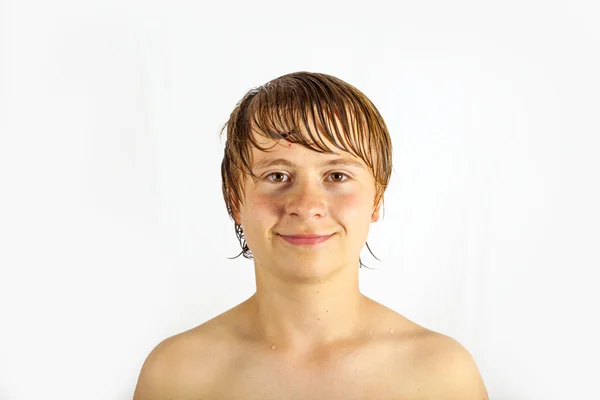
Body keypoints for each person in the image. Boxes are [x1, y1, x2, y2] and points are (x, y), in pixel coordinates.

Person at [133, 71, 489, 399]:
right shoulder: (176, 376)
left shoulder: (442, 376)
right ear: (233, 198)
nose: (306, 205)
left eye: (336, 176)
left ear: (377, 198)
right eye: (277, 176)